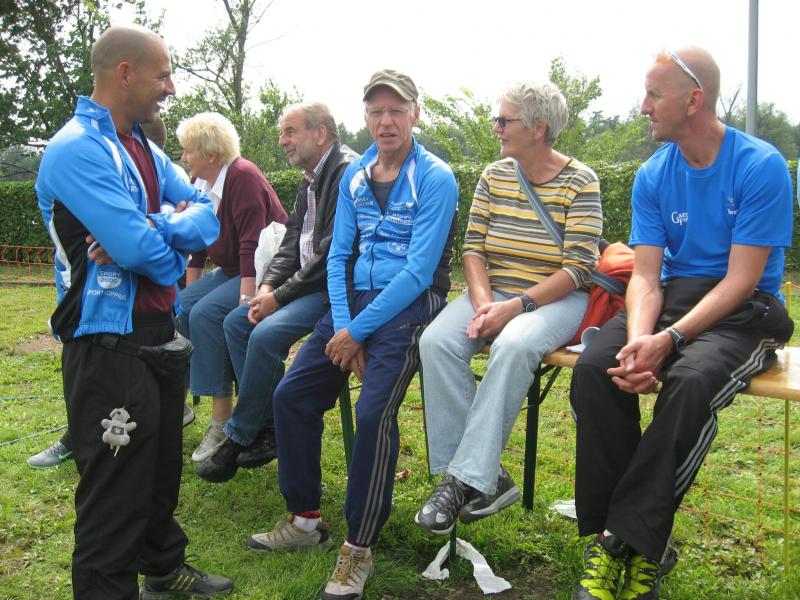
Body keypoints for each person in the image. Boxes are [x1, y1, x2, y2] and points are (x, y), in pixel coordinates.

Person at [570, 47, 794, 600]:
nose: (642, 106)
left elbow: (742, 280)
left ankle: (623, 544)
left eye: (654, 94)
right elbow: (645, 276)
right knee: (595, 368)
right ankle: (633, 539)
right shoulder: (653, 173)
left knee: (690, 384)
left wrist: (670, 340)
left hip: (744, 312)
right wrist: (641, 341)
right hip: (671, 299)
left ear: (694, 100)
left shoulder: (759, 166)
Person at [35, 25, 234, 599]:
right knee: (114, 495)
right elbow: (140, 254)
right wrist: (165, 247)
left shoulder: (142, 146)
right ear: (125, 73)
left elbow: (207, 213)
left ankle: (164, 570)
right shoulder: (76, 148)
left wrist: (153, 226)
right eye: (163, 75)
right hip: (106, 343)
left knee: (160, 472)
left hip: (158, 333)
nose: (171, 88)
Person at [247, 70, 458, 600]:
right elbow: (339, 255)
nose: (386, 121)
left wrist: (357, 331)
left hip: (410, 305)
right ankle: (304, 520)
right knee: (291, 395)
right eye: (376, 111)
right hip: (352, 307)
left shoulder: (436, 178)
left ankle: (358, 548)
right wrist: (345, 327)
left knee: (373, 413)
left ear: (415, 114)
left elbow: (418, 272)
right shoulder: (355, 176)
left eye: (397, 110)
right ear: (365, 117)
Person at [415, 82, 603, 535]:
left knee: (515, 344)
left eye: (504, 120)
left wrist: (515, 309)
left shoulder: (582, 181)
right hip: (494, 292)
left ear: (538, 128)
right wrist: (485, 305)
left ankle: (460, 480)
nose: (496, 127)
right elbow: (473, 249)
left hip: (557, 299)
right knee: (436, 341)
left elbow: (579, 268)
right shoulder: (494, 175)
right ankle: (486, 478)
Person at [195, 102, 353, 482]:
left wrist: (279, 297)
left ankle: (239, 435)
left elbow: (331, 254)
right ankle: (268, 425)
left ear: (320, 133)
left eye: (289, 131)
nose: (282, 140)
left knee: (264, 333)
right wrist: (267, 287)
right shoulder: (310, 179)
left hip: (334, 289)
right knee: (238, 322)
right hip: (305, 282)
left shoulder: (346, 172)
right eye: (282, 132)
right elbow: (292, 241)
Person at [175, 112, 287, 463]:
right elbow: (196, 242)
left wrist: (245, 301)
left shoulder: (243, 177)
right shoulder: (201, 183)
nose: (183, 157)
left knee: (207, 314)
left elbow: (252, 246)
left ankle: (222, 420)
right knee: (183, 308)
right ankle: (184, 404)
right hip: (232, 269)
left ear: (211, 154)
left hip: (266, 269)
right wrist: (189, 297)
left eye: (188, 150)